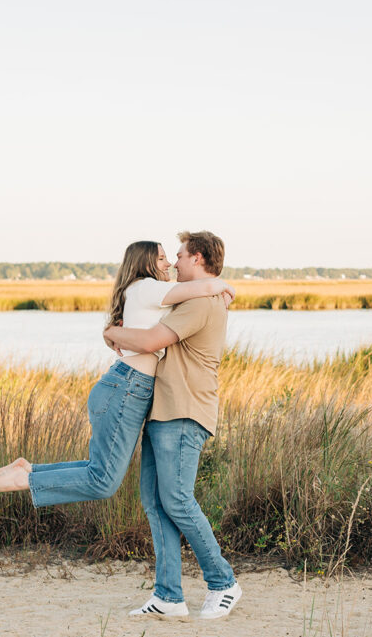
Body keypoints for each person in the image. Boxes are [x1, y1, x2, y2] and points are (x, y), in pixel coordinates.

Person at [0, 240, 235, 507]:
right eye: (162, 259)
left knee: (100, 469)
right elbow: (205, 287)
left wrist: (111, 332)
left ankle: (30, 470)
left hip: (128, 387)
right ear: (145, 263)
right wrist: (226, 287)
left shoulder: (148, 293)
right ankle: (27, 481)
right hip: (127, 387)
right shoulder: (147, 287)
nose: (169, 264)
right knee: (103, 480)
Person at [103, 230, 240, 621]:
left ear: (197, 258)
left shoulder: (202, 302)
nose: (173, 263)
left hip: (183, 411)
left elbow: (149, 340)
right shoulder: (193, 299)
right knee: (156, 503)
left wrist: (110, 332)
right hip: (163, 411)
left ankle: (223, 582)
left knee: (177, 500)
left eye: (178, 255)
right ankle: (168, 596)